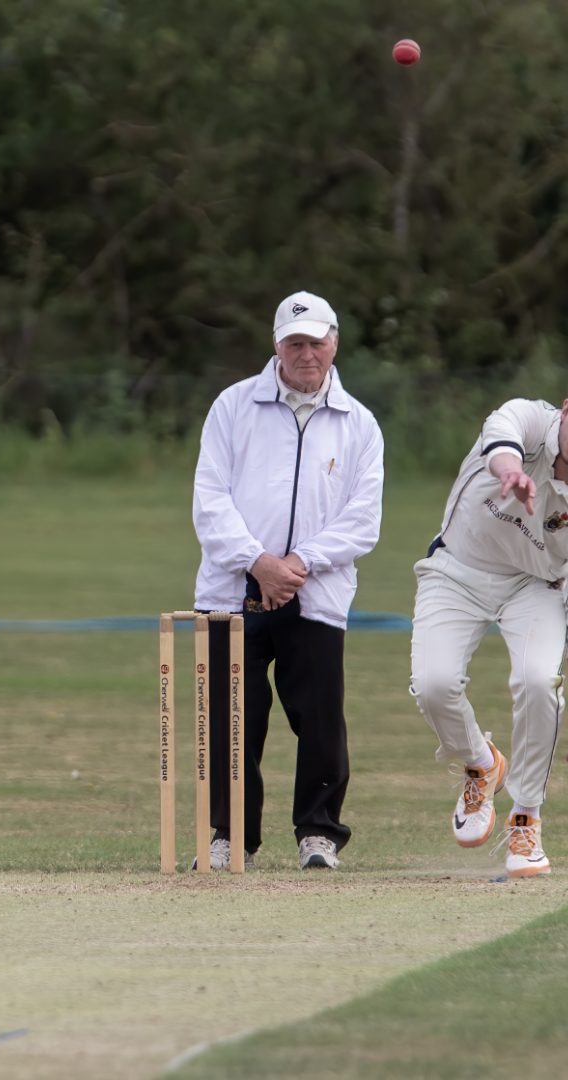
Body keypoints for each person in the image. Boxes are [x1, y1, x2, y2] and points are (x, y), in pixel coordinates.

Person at [409, 370, 568, 878]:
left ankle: (525, 818)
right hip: (457, 568)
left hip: (534, 586)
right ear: (565, 407)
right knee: (433, 685)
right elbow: (501, 435)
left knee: (539, 684)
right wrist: (511, 472)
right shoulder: (530, 420)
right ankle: (481, 763)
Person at [192, 291, 385, 870]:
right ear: (276, 345)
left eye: (316, 343)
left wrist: (297, 564)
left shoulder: (359, 423)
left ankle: (318, 834)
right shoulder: (233, 405)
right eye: (295, 343)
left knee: (320, 719)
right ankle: (230, 838)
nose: (306, 354)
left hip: (315, 593)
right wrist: (258, 562)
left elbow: (363, 520)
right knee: (231, 721)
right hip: (230, 590)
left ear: (334, 344)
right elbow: (210, 499)